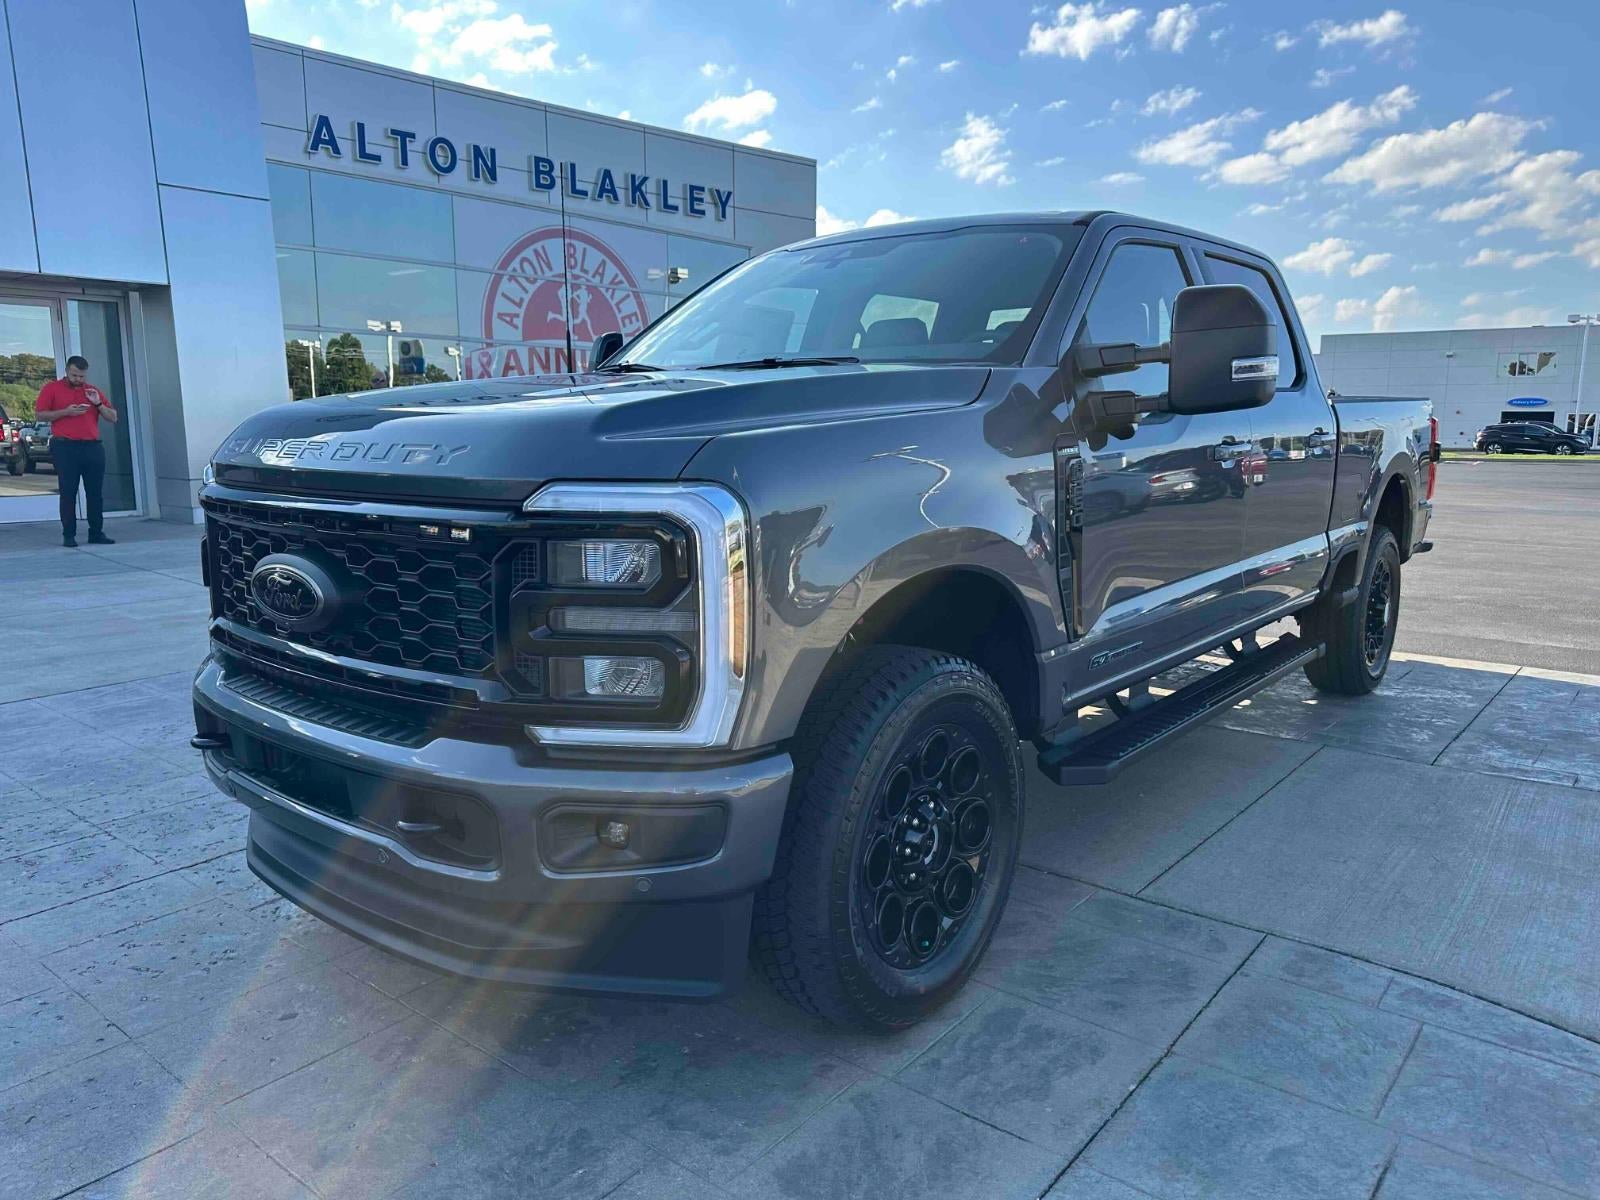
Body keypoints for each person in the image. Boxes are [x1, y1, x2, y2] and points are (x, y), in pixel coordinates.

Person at [35, 356, 117, 547]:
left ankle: (96, 533)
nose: (78, 379)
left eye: (81, 376)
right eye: (74, 375)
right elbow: (40, 415)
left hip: (92, 447)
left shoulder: (92, 390)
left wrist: (98, 404)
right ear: (66, 371)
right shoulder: (52, 389)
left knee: (95, 493)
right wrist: (66, 412)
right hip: (65, 447)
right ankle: (69, 535)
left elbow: (113, 417)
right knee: (68, 491)